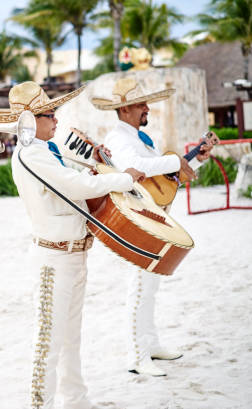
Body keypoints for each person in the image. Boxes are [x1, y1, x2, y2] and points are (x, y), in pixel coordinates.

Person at [0, 81, 145, 409]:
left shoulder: (45, 152)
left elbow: (78, 183)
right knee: (49, 343)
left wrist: (100, 165)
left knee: (70, 338)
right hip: (53, 259)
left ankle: (76, 402)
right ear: (29, 121)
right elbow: (76, 185)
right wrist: (124, 177)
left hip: (71, 254)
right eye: (48, 114)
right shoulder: (30, 154)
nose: (56, 119)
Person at [91, 77, 214, 376]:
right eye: (140, 104)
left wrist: (193, 160)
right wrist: (173, 160)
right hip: (140, 220)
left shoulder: (141, 138)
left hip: (155, 215)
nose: (147, 108)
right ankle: (136, 354)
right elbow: (140, 168)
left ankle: (150, 343)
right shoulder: (120, 139)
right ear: (124, 111)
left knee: (151, 286)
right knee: (140, 285)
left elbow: (164, 179)